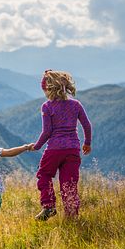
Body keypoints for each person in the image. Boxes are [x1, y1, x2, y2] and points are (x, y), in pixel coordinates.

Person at [32, 69, 92, 221]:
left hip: (54, 149)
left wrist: (37, 146)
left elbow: (47, 131)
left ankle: (49, 206)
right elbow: (87, 125)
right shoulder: (76, 105)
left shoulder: (47, 106)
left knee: (44, 175)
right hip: (73, 149)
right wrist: (87, 143)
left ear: (48, 89)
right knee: (69, 183)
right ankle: (72, 217)